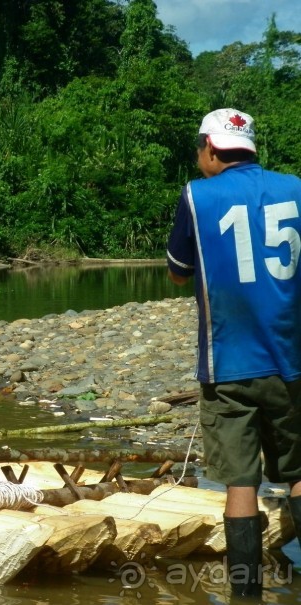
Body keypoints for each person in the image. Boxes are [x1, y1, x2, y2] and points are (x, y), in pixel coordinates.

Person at [167, 108, 301, 597]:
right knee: (299, 472)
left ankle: (245, 592)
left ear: (210, 147)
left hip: (228, 364)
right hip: (291, 360)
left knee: (241, 484)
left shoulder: (196, 195)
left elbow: (179, 270)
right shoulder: (297, 188)